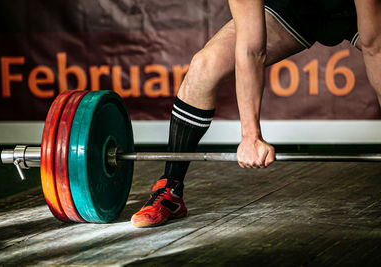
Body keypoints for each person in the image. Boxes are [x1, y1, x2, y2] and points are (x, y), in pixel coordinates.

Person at [131, 0, 381, 227]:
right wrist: (250, 135)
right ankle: (170, 189)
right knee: (203, 67)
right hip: (293, 8)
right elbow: (252, 49)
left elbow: (374, 46)